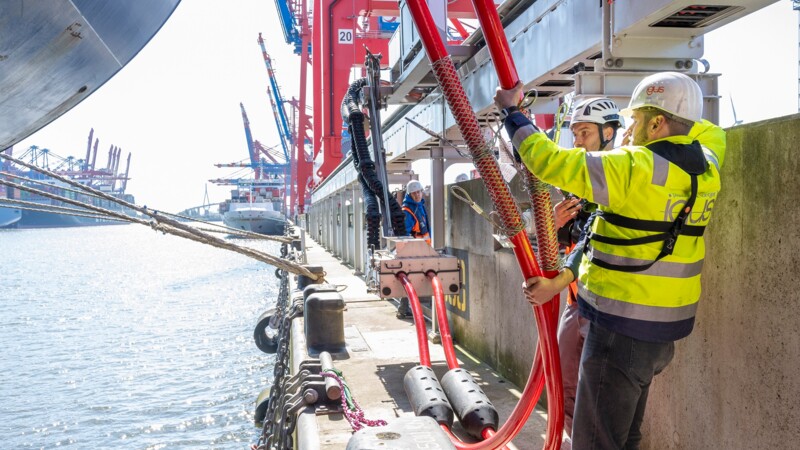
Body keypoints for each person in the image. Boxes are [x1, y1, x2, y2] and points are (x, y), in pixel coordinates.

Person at [494, 72, 726, 449]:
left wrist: (512, 113)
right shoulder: (708, 165)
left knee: (596, 441)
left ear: (656, 122)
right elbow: (711, 133)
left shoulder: (632, 166)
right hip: (665, 331)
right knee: (623, 435)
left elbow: (547, 161)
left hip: (621, 328)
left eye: (635, 120)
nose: (628, 130)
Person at [552, 97, 624, 444]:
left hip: (606, 310)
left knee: (601, 397)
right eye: (574, 134)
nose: (577, 141)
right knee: (566, 383)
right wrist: (553, 224)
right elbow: (557, 253)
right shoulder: (576, 188)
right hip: (574, 303)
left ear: (609, 133)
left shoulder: (624, 181)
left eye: (584, 133)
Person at [402, 180, 431, 245]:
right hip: (416, 248)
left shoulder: (420, 205)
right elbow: (405, 234)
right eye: (414, 193)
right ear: (410, 195)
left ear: (421, 192)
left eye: (418, 192)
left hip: (425, 247)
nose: (417, 195)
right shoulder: (407, 211)